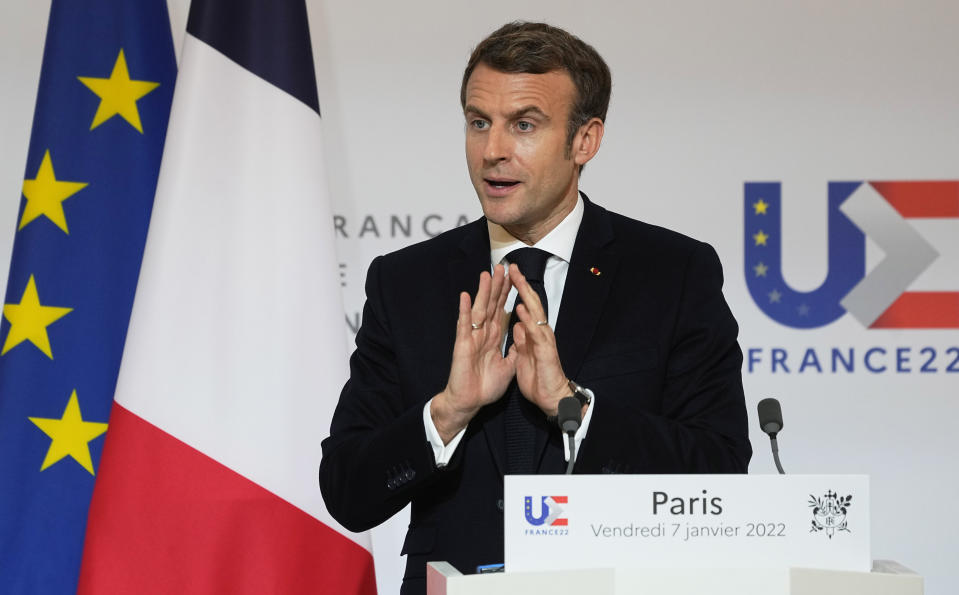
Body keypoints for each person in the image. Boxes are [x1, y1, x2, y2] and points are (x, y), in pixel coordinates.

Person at [320, 21, 751, 595]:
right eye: (479, 122)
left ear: (585, 141)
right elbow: (348, 490)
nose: (493, 150)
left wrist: (572, 407)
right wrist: (448, 412)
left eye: (524, 125)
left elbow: (719, 472)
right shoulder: (408, 282)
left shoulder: (672, 273)